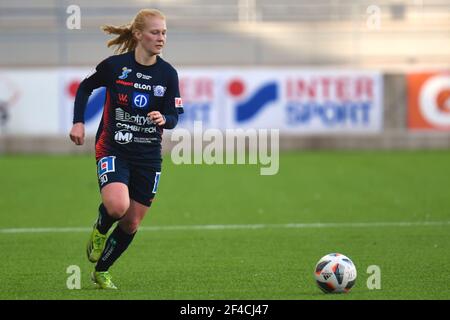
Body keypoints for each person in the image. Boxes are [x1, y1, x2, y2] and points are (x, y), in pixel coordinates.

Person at [69, 8, 183, 289]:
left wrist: (163, 118)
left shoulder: (168, 74)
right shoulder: (115, 66)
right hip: (113, 147)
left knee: (131, 223)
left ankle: (102, 271)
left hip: (148, 155)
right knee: (117, 206)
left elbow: (174, 115)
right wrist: (78, 123)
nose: (161, 38)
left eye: (164, 32)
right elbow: (84, 88)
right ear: (138, 35)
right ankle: (100, 228)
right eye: (155, 32)